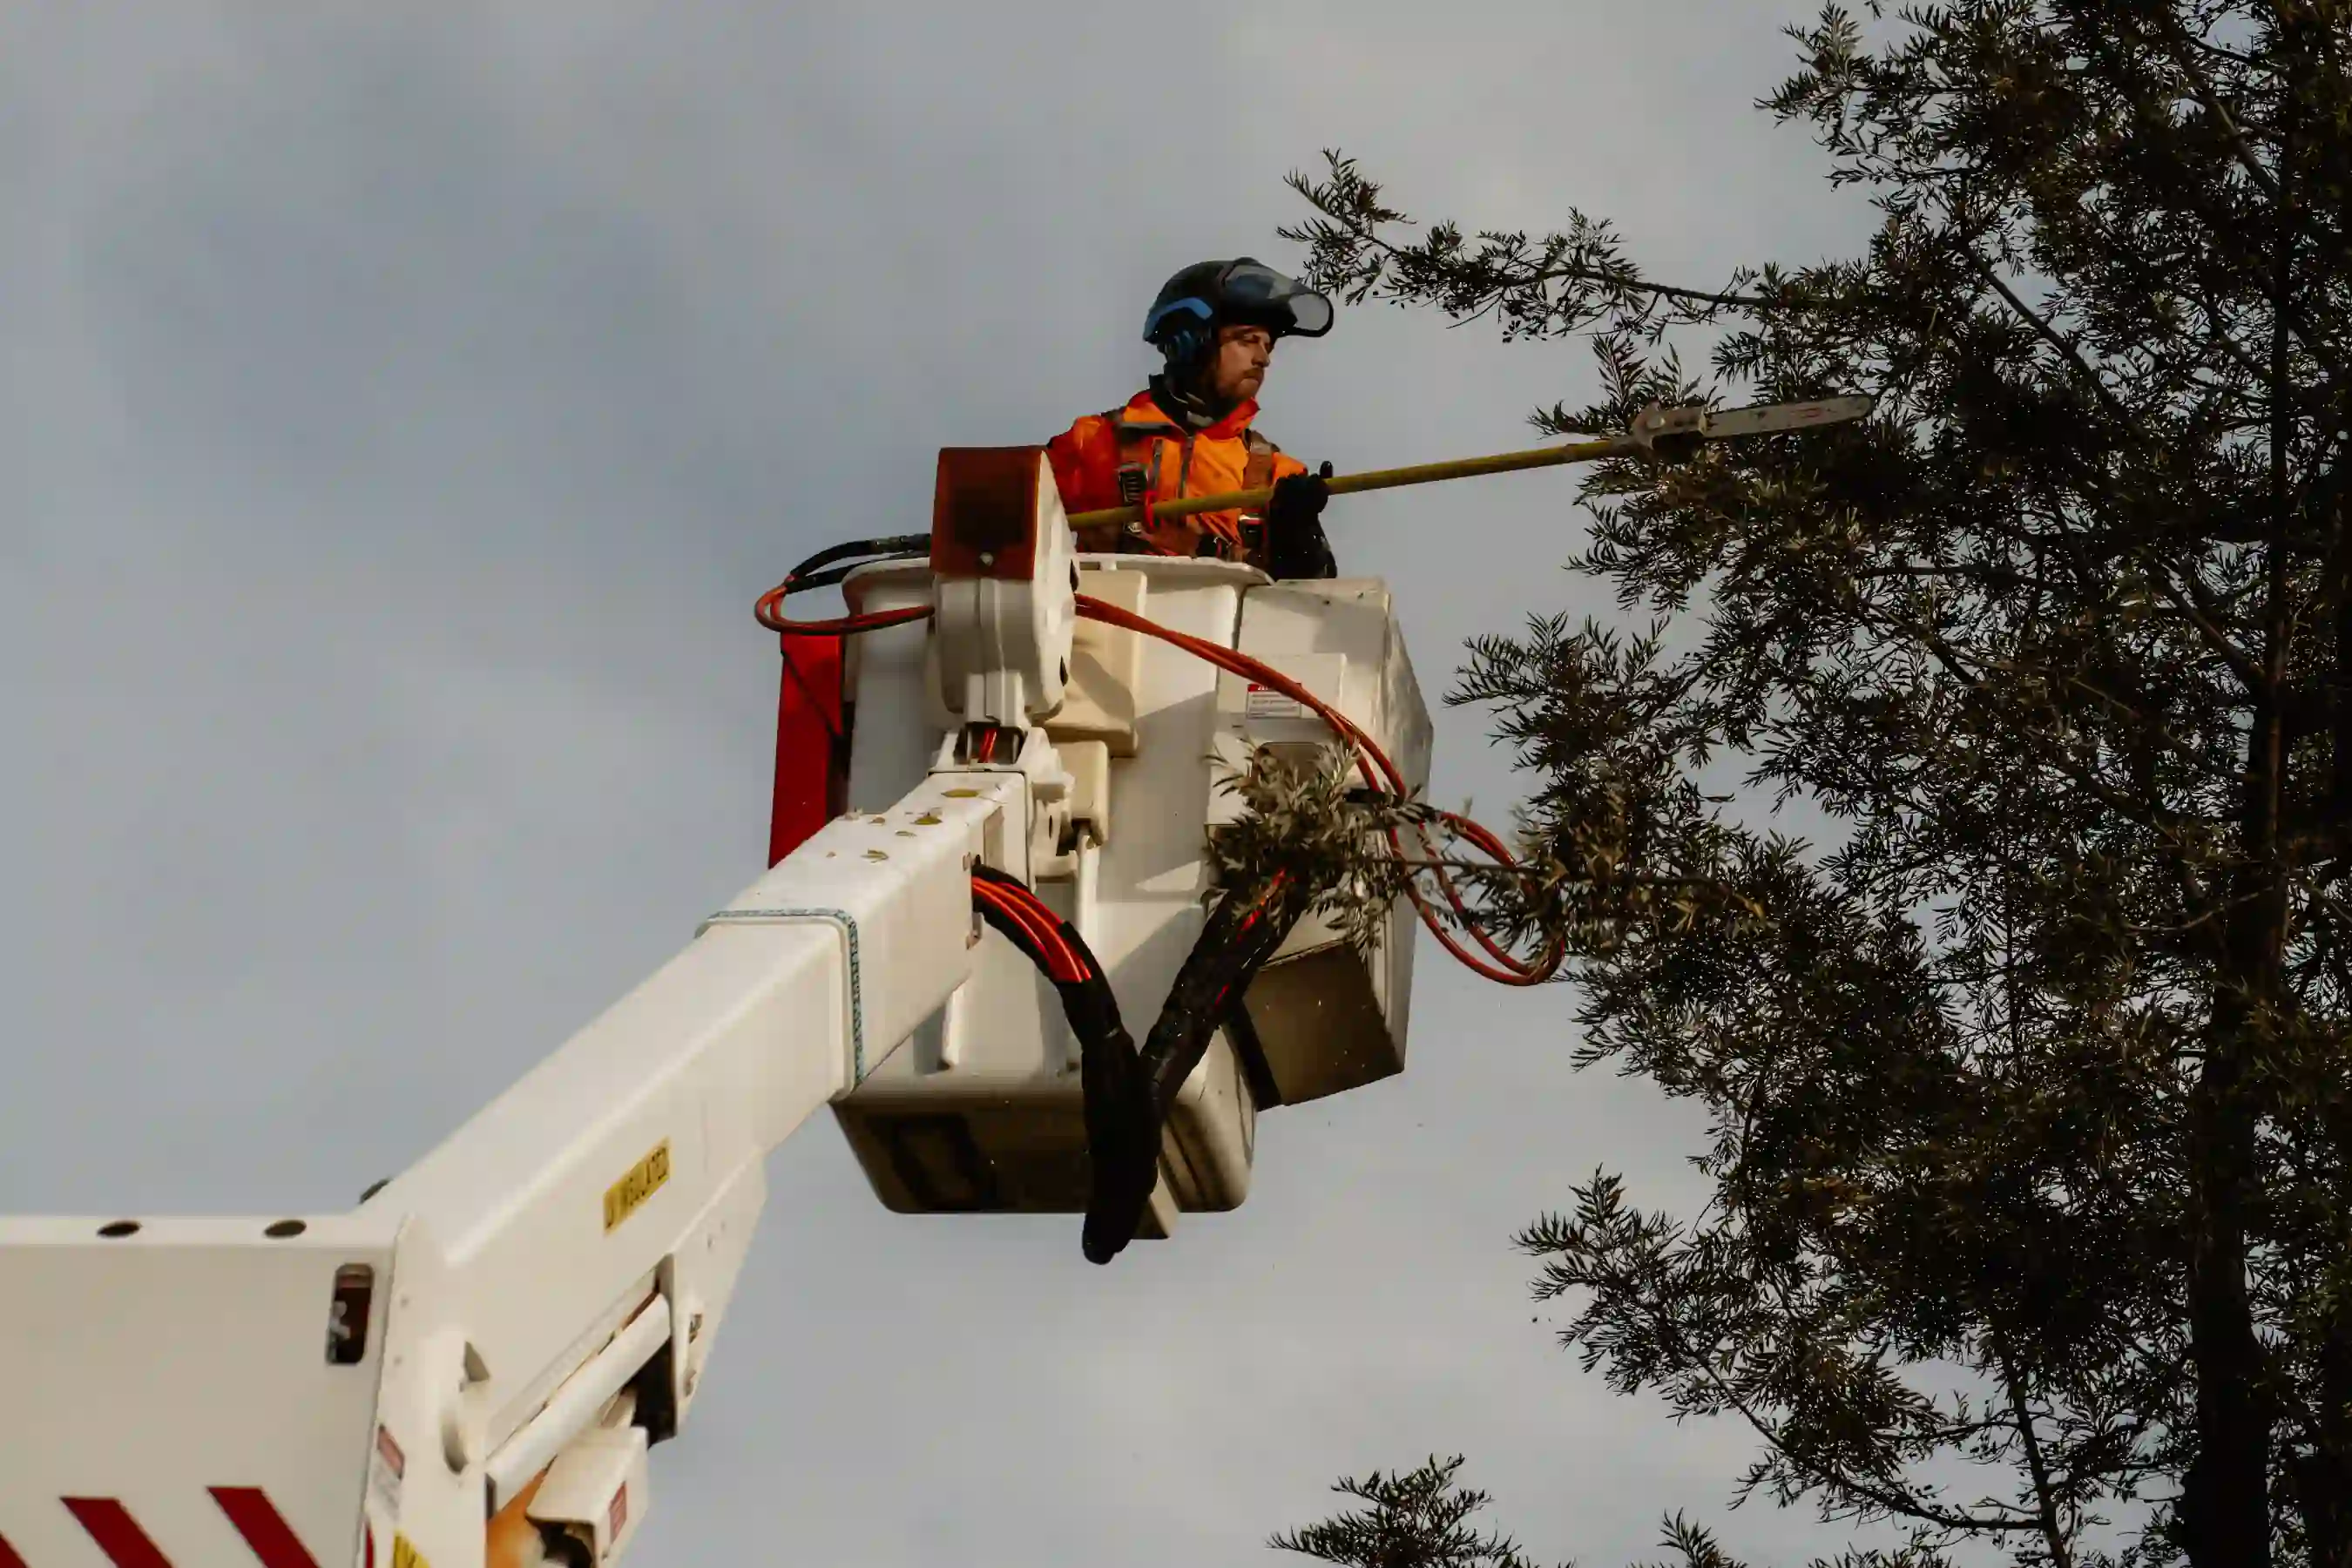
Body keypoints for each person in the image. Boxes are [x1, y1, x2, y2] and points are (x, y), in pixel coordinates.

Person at [1046, 258, 1338, 579]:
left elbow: (1314, 598)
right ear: (1190, 341)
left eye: (1268, 345)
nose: (1264, 359)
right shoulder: (1093, 444)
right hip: (1102, 625)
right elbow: (1007, 512)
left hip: (1209, 628)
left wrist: (1300, 533)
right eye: (1247, 339)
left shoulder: (1277, 475)